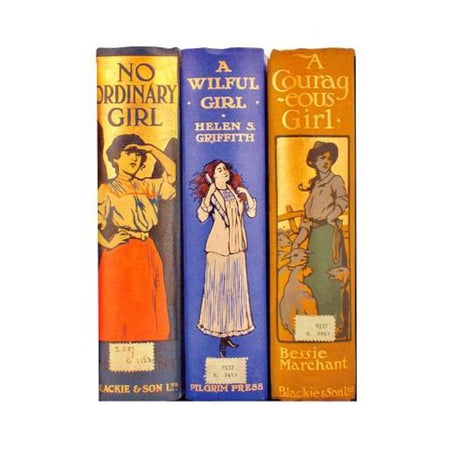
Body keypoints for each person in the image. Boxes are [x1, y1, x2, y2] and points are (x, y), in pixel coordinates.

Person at [98, 133, 176, 342]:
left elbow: (172, 173)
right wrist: (108, 242)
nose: (134, 158)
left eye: (138, 154)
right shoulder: (107, 189)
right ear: (115, 158)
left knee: (150, 302)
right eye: (128, 153)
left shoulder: (147, 185)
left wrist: (151, 149)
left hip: (147, 249)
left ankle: (152, 350)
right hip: (122, 252)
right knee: (125, 304)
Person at [191, 160, 256, 357]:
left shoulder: (235, 193)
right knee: (219, 292)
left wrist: (248, 196)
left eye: (225, 169)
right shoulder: (213, 195)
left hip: (237, 247)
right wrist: (210, 194)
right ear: (212, 176)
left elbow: (252, 213)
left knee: (234, 292)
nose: (224, 172)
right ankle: (220, 337)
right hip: (219, 248)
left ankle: (229, 334)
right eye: (219, 170)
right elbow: (201, 217)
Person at [292, 141, 349, 337]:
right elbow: (307, 220)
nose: (326, 161)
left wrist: (332, 215)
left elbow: (343, 200)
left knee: (330, 278)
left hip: (328, 234)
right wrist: (297, 242)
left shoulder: (336, 180)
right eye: (322, 158)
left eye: (329, 158)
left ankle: (335, 325)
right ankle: (315, 327)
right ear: (313, 161)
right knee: (313, 278)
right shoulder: (314, 185)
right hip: (314, 237)